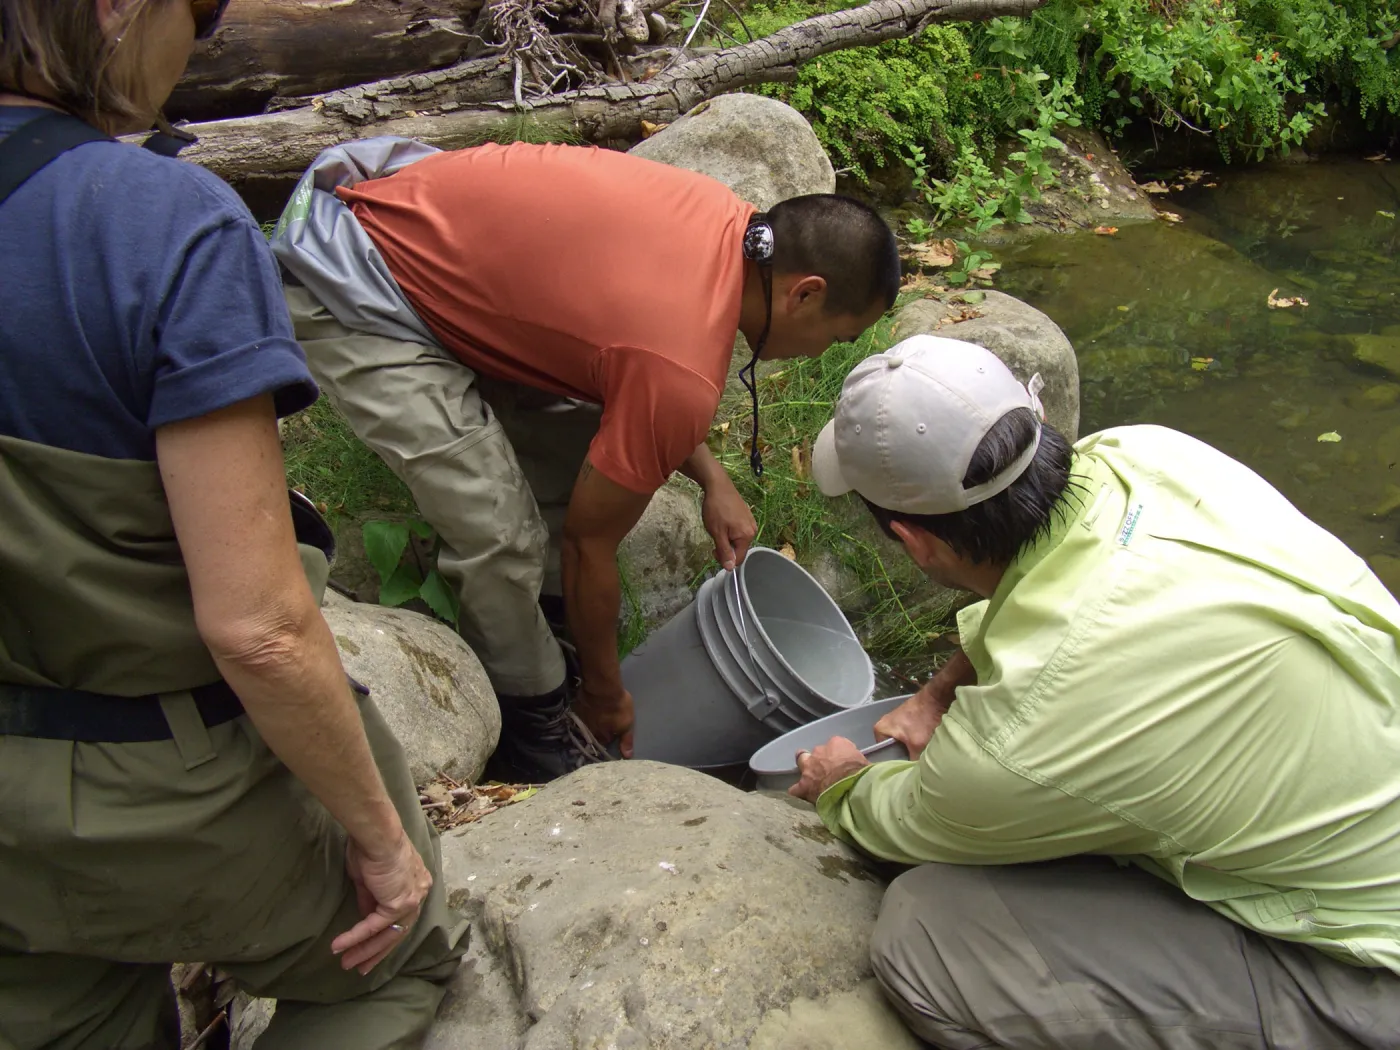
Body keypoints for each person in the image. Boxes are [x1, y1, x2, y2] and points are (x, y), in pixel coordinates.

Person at [0, 3, 466, 1047]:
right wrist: (385, 841)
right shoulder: (161, 220)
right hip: (167, 780)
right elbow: (258, 627)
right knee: (397, 956)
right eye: (197, 14)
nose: (198, 44)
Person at [793, 334, 1400, 1049]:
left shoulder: (1020, 740)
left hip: (1370, 961)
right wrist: (938, 694)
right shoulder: (1144, 454)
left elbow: (902, 820)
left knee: (927, 937)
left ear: (917, 543)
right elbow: (1052, 593)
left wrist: (840, 783)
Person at [271, 139, 900, 781]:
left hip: (412, 211)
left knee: (581, 451)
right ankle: (533, 721)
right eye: (839, 336)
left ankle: (541, 627)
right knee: (500, 534)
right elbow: (588, 544)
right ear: (804, 294)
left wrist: (711, 478)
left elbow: (647, 363)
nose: (826, 354)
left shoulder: (728, 222)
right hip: (355, 280)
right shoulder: (681, 363)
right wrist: (606, 695)